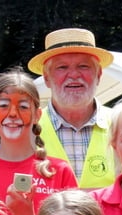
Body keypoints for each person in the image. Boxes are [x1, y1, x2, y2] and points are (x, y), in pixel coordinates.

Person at [0, 68, 77, 215]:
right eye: (3, 106)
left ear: (37, 115)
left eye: (23, 107)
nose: (12, 114)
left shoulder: (58, 171)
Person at [28, 27, 116, 189]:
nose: (74, 74)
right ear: (47, 78)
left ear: (98, 75)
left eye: (83, 66)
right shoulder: (28, 130)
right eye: (62, 67)